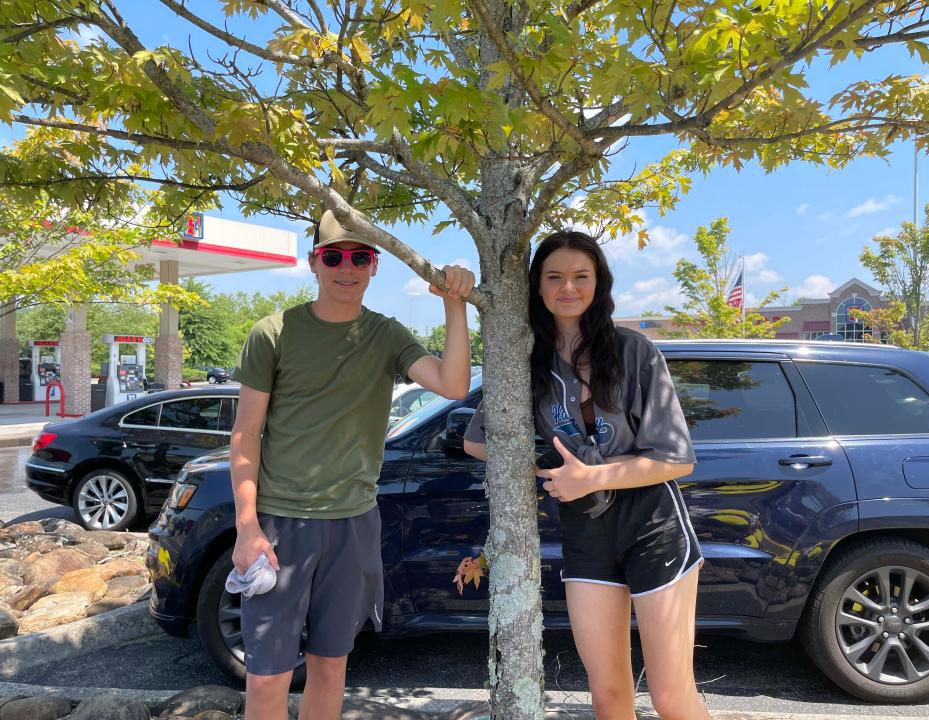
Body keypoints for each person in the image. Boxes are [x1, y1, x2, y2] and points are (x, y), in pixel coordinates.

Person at [230, 210, 475, 720]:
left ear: (374, 265)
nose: (348, 267)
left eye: (360, 257)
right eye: (334, 256)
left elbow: (453, 385)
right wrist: (246, 527)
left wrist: (456, 305)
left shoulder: (385, 335)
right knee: (268, 676)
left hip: (354, 523)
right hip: (280, 525)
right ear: (314, 263)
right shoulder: (273, 332)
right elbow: (245, 434)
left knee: (330, 667)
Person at [463, 230, 711, 720]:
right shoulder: (524, 361)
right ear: (537, 285)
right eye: (555, 276)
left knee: (671, 698)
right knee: (608, 695)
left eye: (581, 276)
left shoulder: (633, 350)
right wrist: (550, 467)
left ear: (599, 283)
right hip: (586, 532)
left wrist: (593, 477)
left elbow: (677, 459)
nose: (568, 287)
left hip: (653, 525)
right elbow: (476, 440)